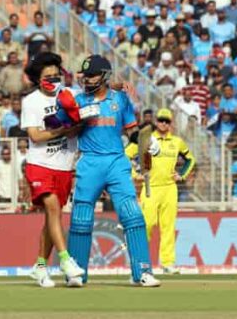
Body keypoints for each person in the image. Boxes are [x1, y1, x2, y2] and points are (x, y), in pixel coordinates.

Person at [57, 55, 160, 287]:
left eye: (91, 75)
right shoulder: (77, 100)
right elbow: (60, 127)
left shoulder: (121, 99)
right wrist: (75, 120)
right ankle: (76, 274)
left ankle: (143, 272)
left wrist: (147, 141)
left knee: (132, 214)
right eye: (84, 76)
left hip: (116, 161)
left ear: (104, 75)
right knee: (81, 219)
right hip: (89, 162)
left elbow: (132, 131)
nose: (86, 79)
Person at [20, 52, 84, 288]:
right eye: (48, 76)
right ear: (38, 79)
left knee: (52, 218)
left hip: (65, 166)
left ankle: (39, 266)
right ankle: (66, 262)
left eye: (57, 75)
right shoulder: (31, 102)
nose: (54, 80)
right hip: (40, 164)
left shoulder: (70, 95)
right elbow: (35, 135)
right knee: (53, 208)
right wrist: (63, 131)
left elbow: (89, 105)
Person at [137, 108, 195, 274]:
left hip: (170, 188)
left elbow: (190, 159)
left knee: (168, 227)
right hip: (150, 188)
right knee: (147, 225)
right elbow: (127, 154)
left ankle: (167, 263)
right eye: (161, 120)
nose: (163, 123)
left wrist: (182, 175)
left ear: (171, 123)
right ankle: (141, 262)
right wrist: (135, 174)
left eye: (166, 121)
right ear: (156, 121)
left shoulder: (177, 142)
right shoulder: (147, 139)